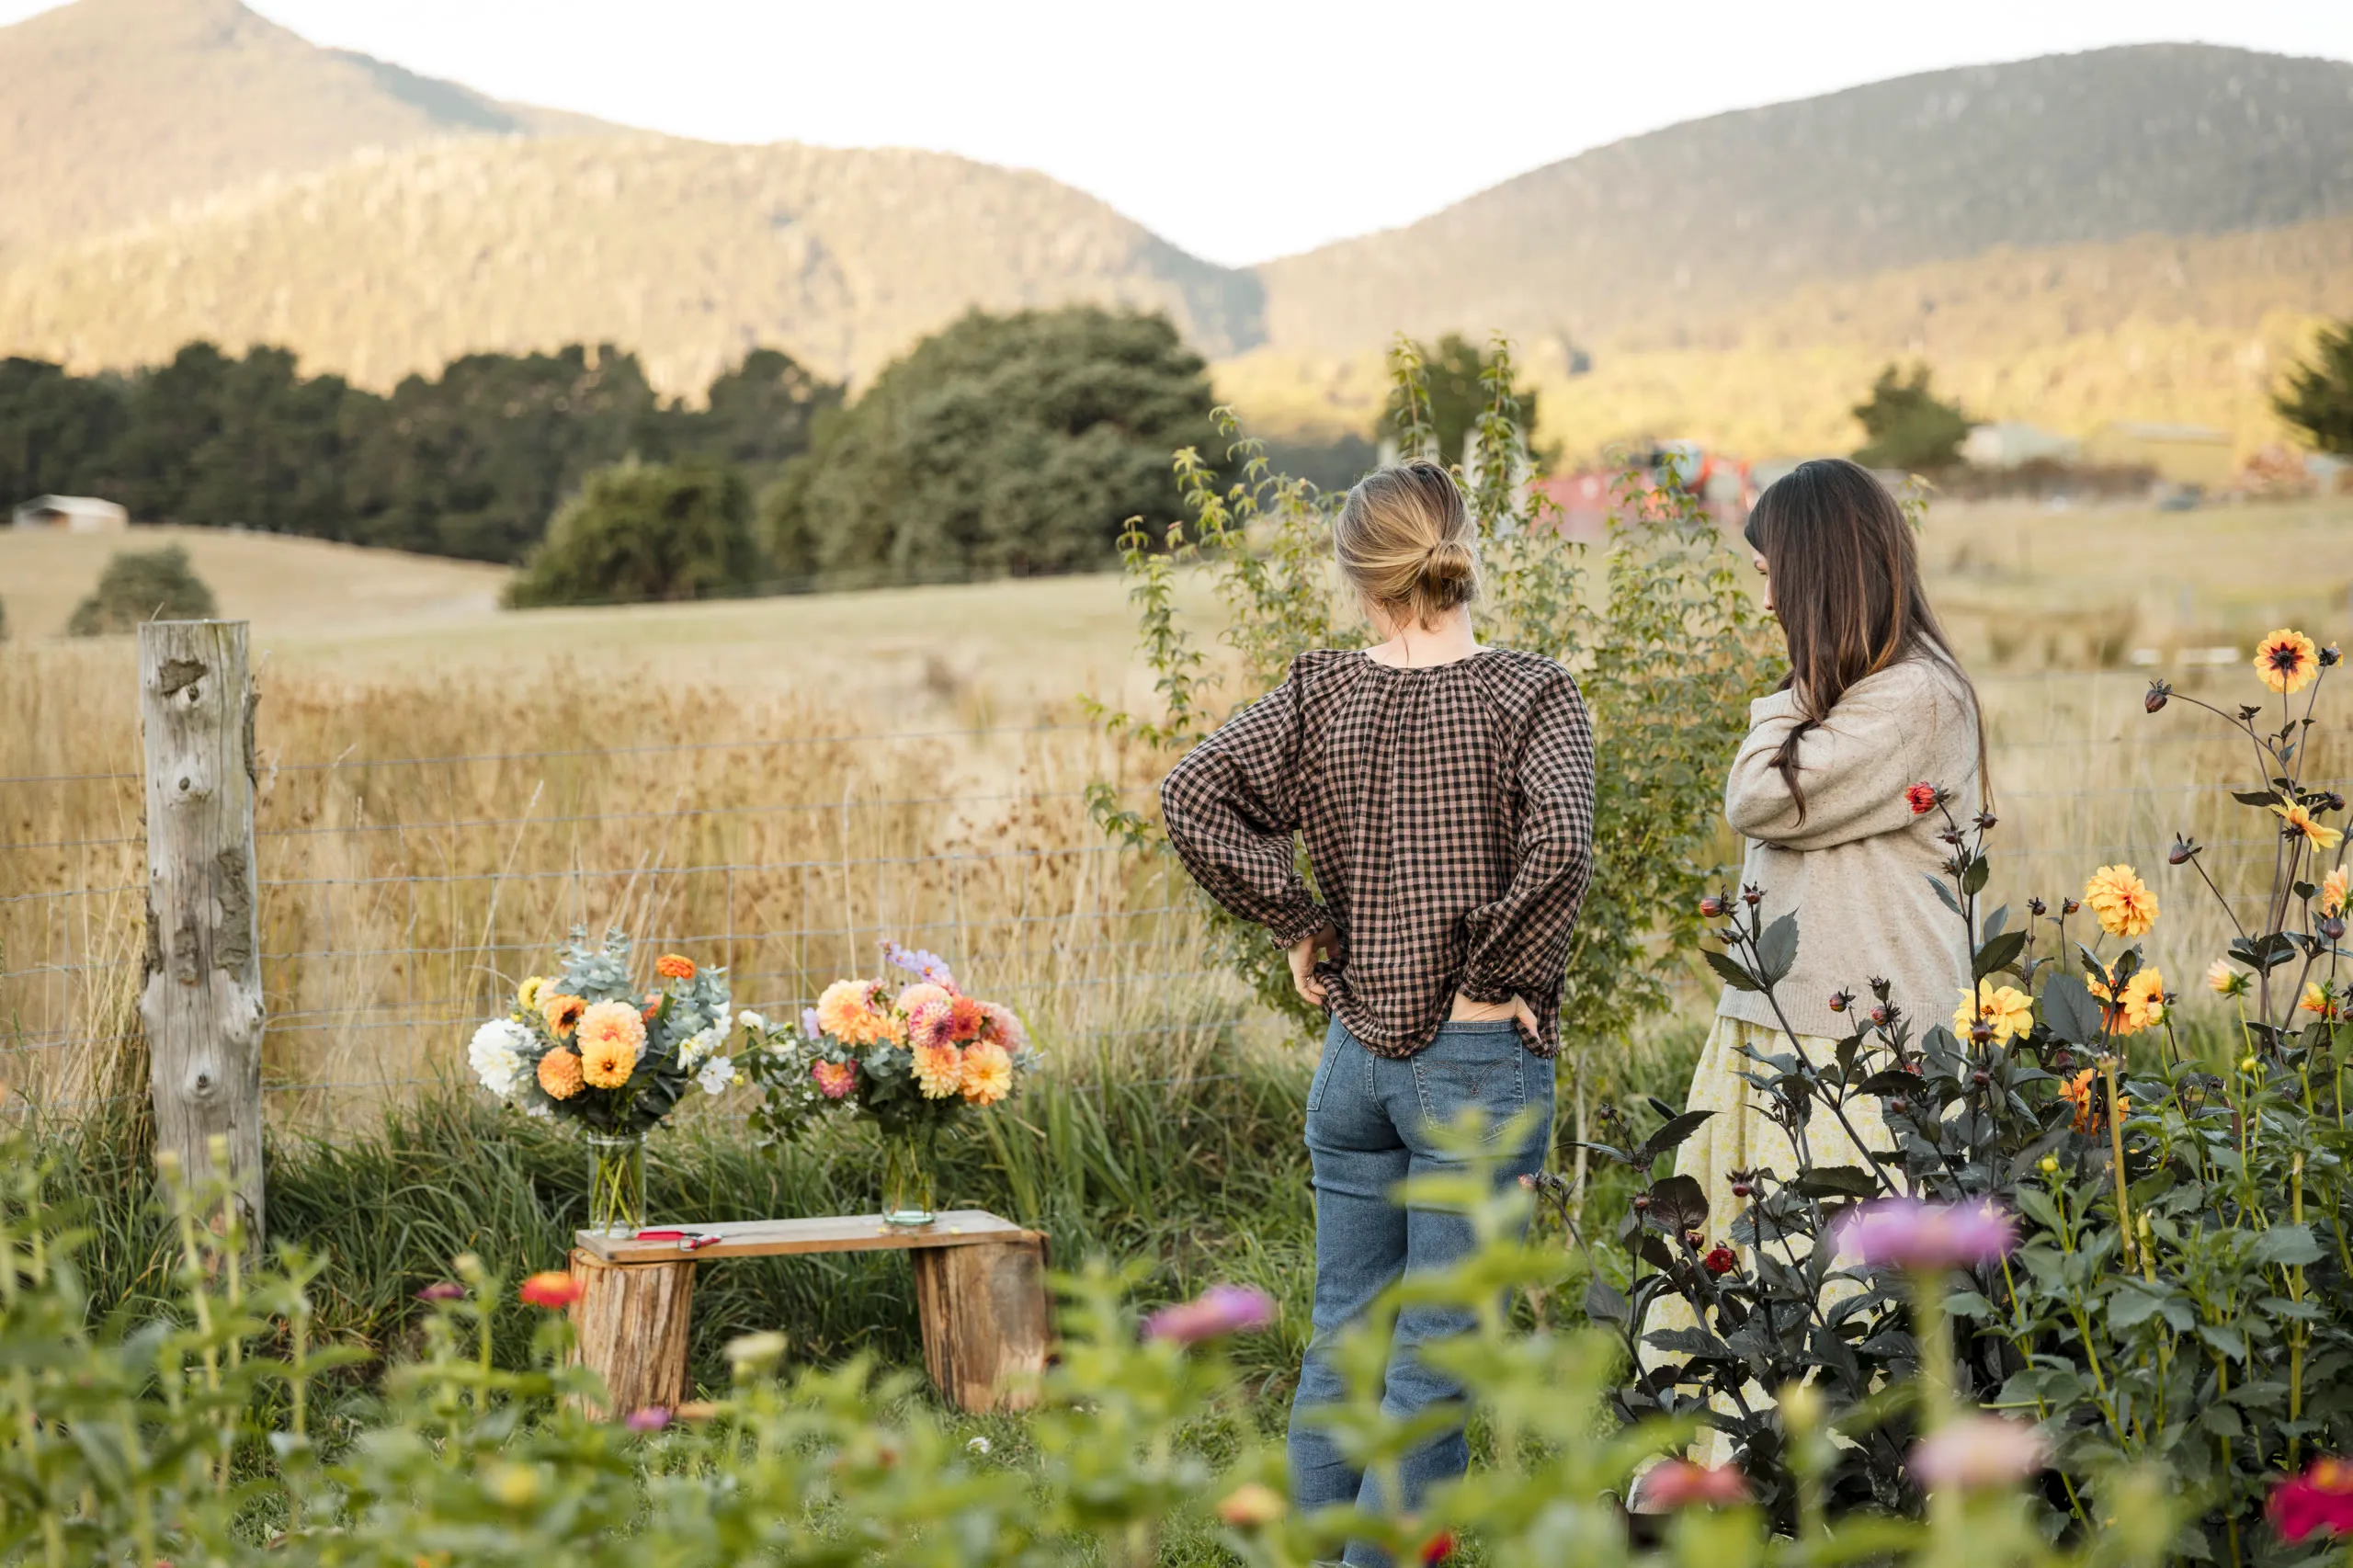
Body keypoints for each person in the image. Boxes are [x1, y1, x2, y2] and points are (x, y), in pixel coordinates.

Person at [1159, 459, 1596, 1562]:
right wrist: (1493, 978)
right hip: (1472, 1064)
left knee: (1344, 1338)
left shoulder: (1321, 691)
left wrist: (1297, 919)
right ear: (1463, 554)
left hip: (1352, 1055)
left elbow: (1190, 794)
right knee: (1436, 1350)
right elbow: (1560, 845)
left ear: (1360, 575)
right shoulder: (1531, 692)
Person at [1648, 456, 1986, 1468]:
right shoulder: (1856, 701)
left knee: (1841, 1310)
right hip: (1785, 1033)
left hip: (1866, 1058)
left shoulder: (1913, 701)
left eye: (1769, 571)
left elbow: (1757, 796)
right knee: (1749, 1287)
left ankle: (1832, 1500)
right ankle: (1741, 1488)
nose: (1761, 594)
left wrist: (1781, 700)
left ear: (1819, 574)